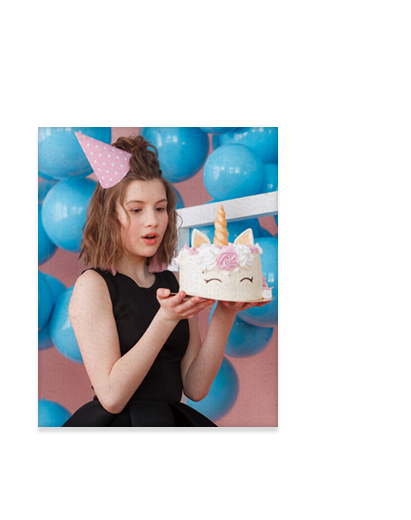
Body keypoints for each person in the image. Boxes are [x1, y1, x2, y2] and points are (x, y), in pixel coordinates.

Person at [62, 136, 263, 428]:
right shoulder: (93, 285)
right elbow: (112, 397)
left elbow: (195, 387)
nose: (153, 221)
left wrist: (225, 313)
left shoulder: (176, 281)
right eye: (136, 209)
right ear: (109, 216)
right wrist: (165, 319)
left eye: (160, 208)